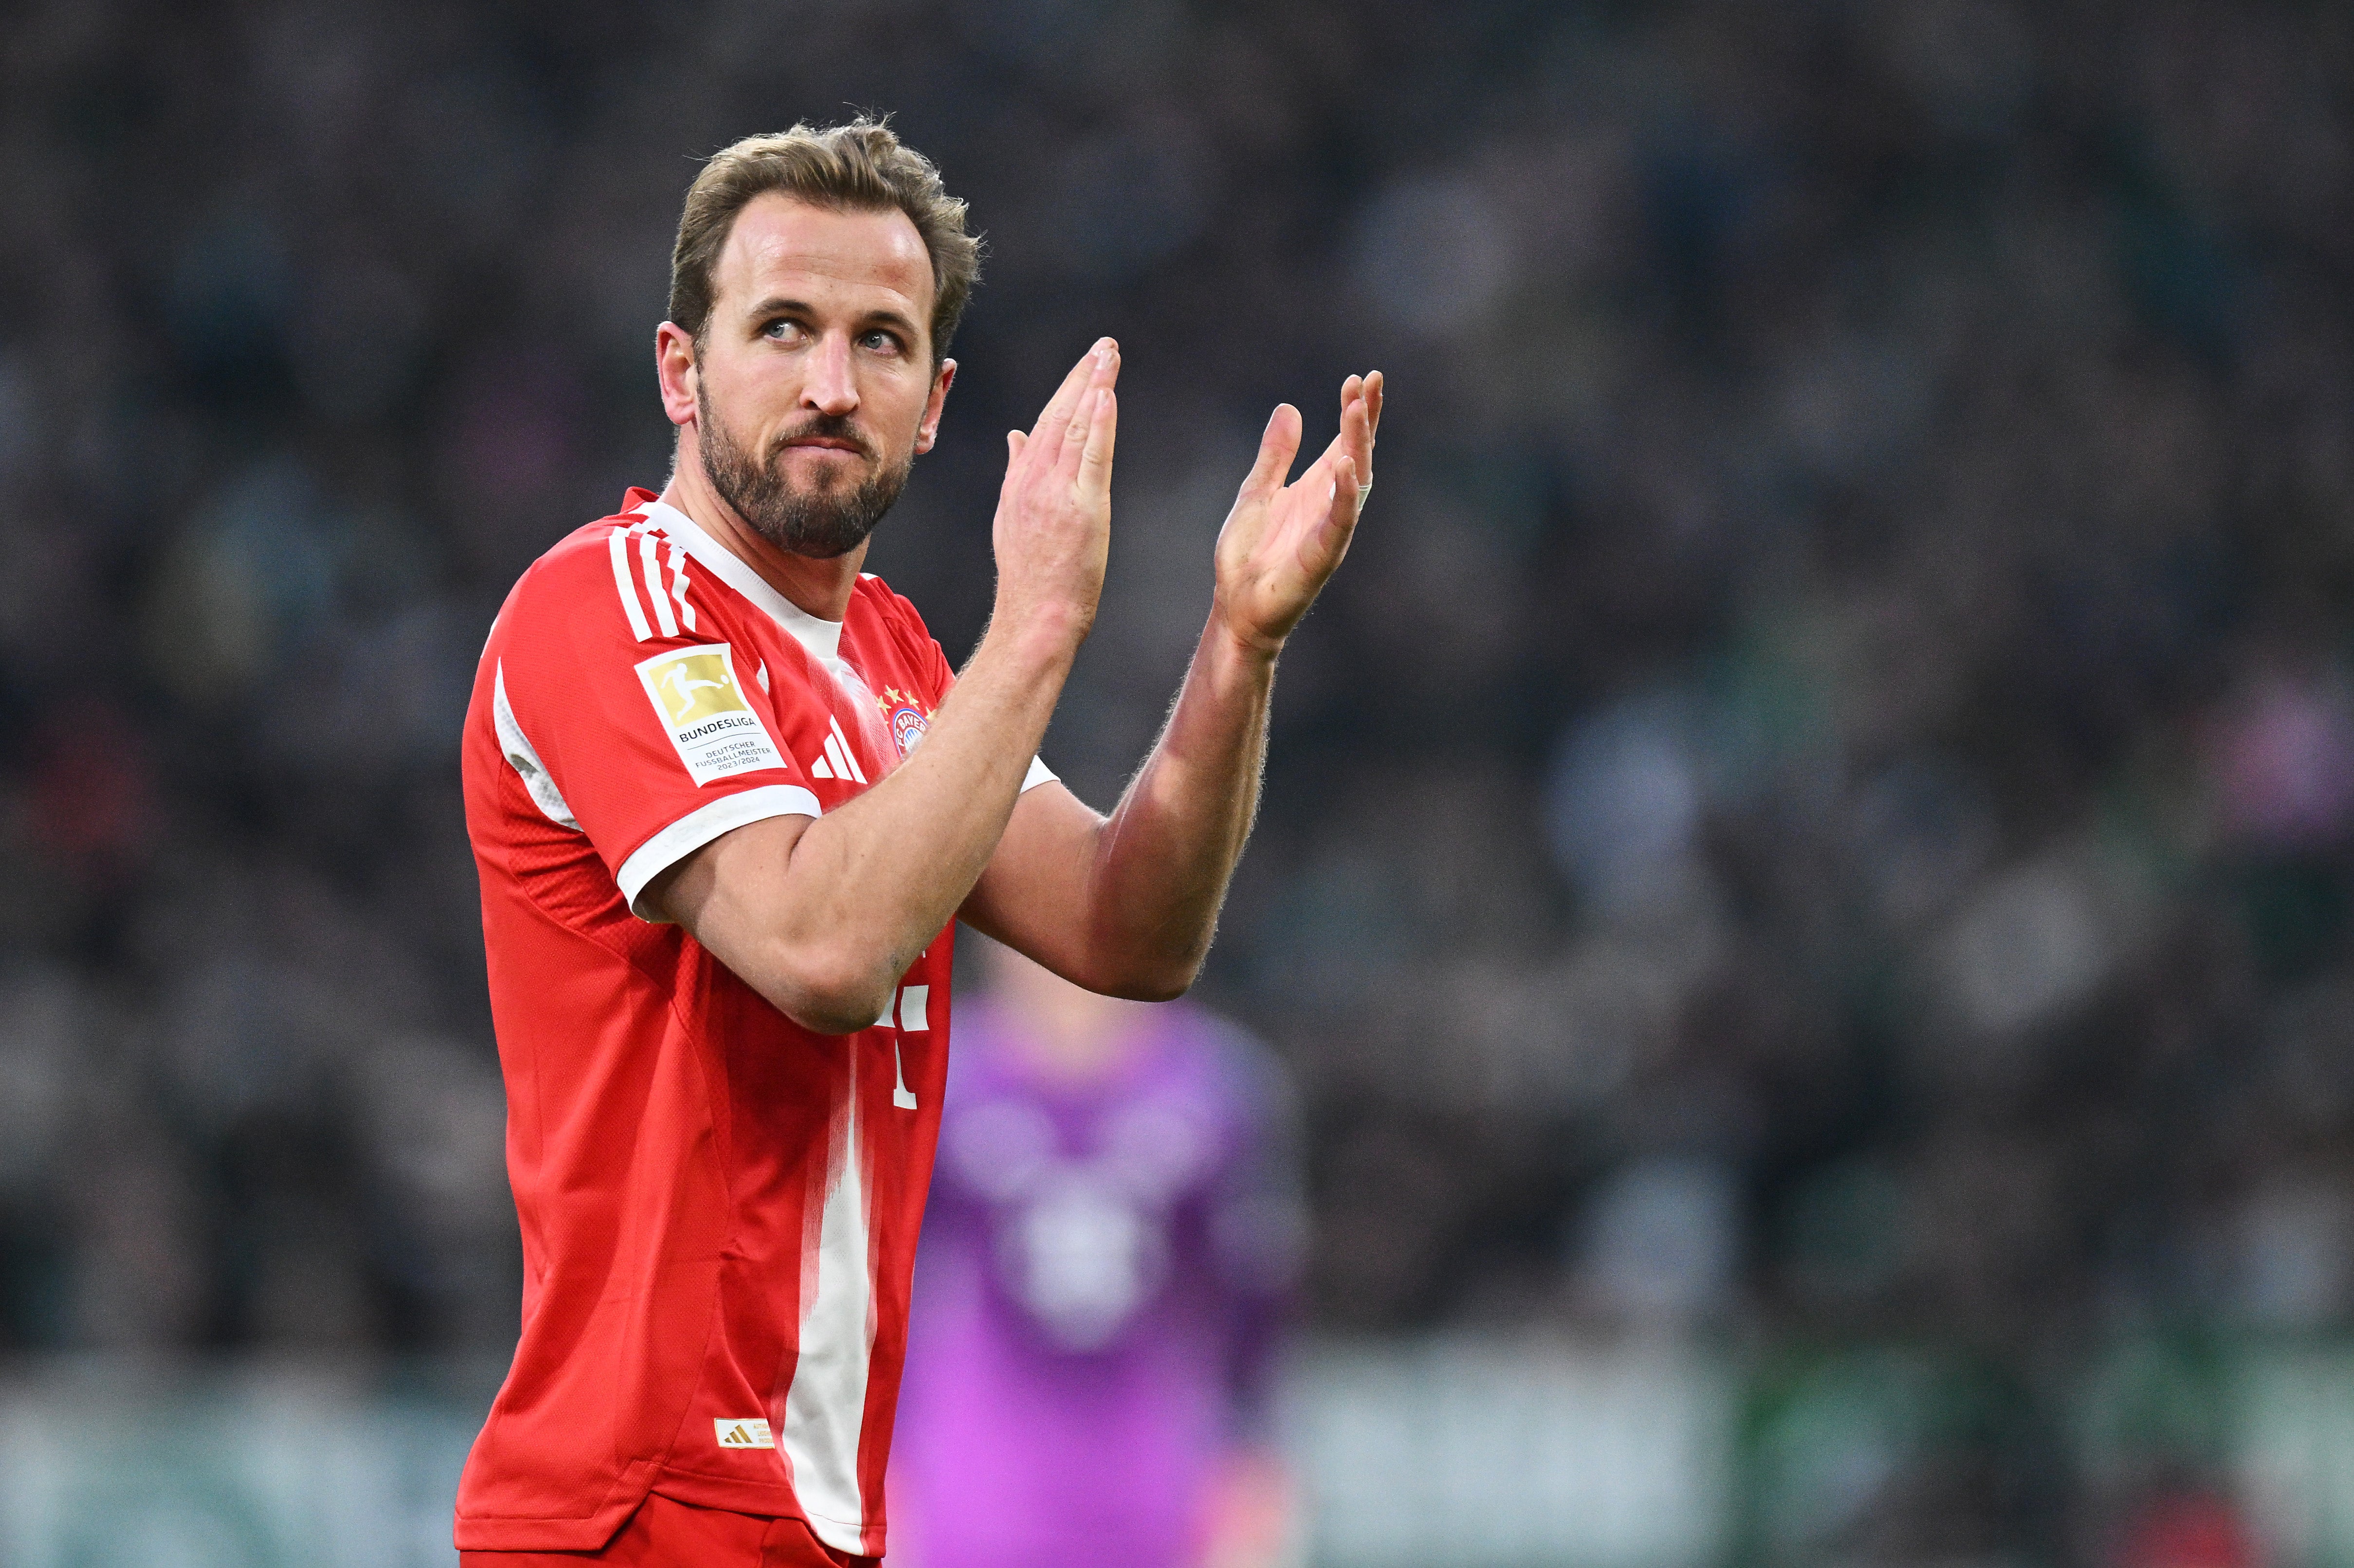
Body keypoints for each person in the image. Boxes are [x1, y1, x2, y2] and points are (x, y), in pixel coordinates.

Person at [453, 118, 1380, 1568]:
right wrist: (1039, 622)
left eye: (880, 342)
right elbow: (817, 946)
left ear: (936, 399)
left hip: (820, 1513)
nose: (832, 385)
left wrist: (1237, 645)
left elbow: (1127, 931)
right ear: (679, 374)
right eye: (781, 329)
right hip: (641, 1502)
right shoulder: (610, 608)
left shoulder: (889, 662)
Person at [891, 941, 1304, 1568]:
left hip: (1159, 1494)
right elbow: (871, 1301)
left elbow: (1256, 1306)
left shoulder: (1219, 1088)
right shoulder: (936, 1075)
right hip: (967, 1495)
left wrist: (1255, 1473)